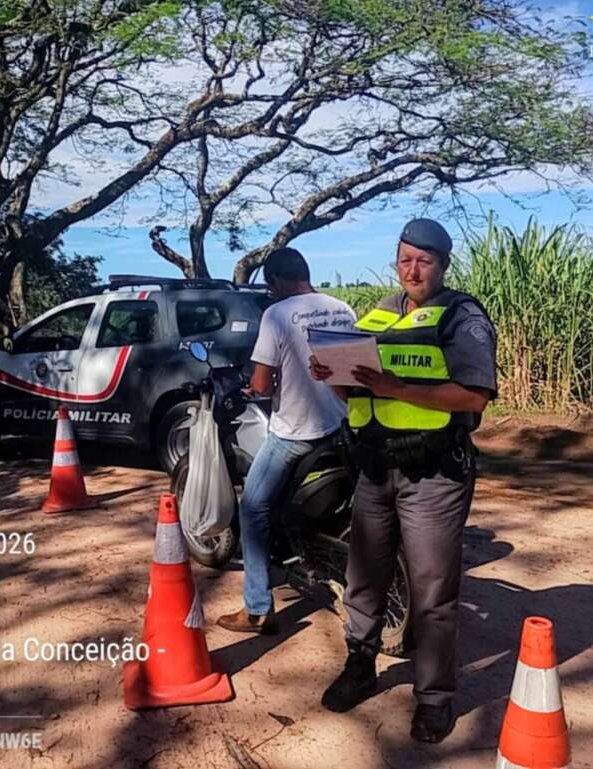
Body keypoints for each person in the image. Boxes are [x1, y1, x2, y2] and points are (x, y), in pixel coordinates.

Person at [310, 218, 498, 743]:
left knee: (432, 590)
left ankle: (434, 699)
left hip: (433, 475)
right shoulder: (377, 314)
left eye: (425, 261)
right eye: (405, 260)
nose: (413, 270)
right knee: (364, 577)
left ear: (443, 264)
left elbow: (473, 396)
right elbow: (360, 396)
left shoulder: (463, 316)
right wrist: (334, 380)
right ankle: (359, 666)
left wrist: (397, 387)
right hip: (373, 467)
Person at [217, 247, 356, 634]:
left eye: (270, 285)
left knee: (253, 510)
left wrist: (261, 386)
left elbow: (261, 383)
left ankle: (258, 607)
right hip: (342, 426)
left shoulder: (276, 314)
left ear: (276, 281)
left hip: (296, 433)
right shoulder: (342, 308)